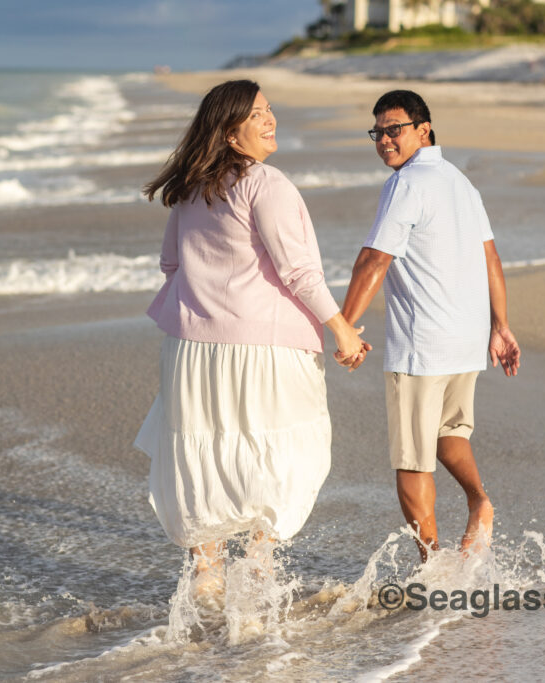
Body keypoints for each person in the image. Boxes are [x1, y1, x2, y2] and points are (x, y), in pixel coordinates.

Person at [134, 80, 370, 596]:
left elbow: (170, 265)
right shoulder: (268, 184)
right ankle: (259, 566)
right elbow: (299, 272)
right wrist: (342, 328)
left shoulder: (190, 189)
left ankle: (208, 578)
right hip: (263, 348)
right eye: (258, 114)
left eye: (269, 110)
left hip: (191, 349)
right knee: (278, 452)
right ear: (231, 133)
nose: (271, 120)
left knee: (203, 453)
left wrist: (208, 298)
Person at [340, 90, 521, 561]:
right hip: (464, 341)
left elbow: (375, 258)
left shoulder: (407, 184)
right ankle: (480, 501)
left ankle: (432, 567)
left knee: (410, 461)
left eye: (393, 129)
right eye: (376, 132)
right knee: (449, 435)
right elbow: (491, 257)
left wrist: (345, 326)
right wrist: (499, 326)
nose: (383, 140)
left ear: (424, 130)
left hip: (422, 348)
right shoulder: (460, 182)